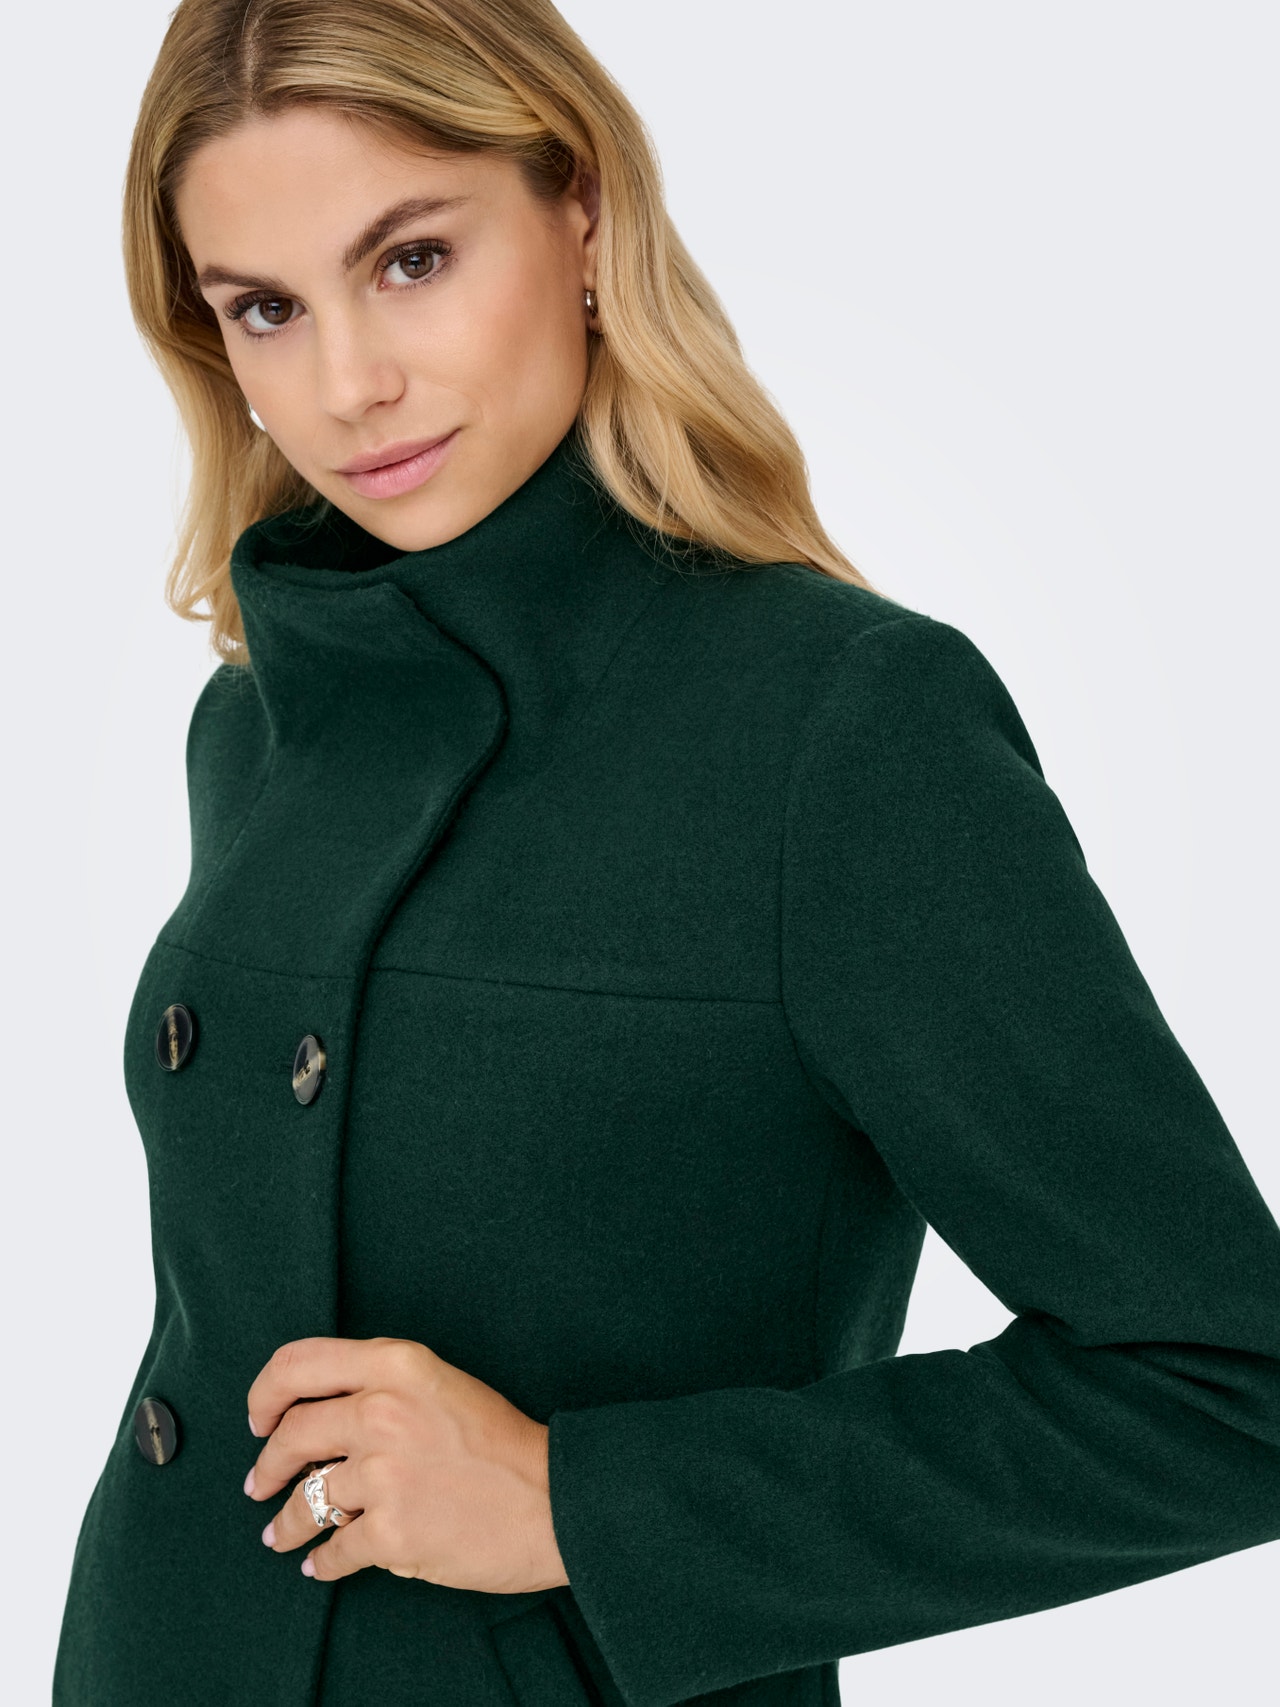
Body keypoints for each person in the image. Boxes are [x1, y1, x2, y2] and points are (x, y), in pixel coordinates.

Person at [54, 1, 1280, 1703]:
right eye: (266, 308)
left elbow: (1224, 1384)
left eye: (411, 261)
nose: (347, 386)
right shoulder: (260, 717)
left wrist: (579, 1503)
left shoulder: (842, 727)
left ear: (582, 213)